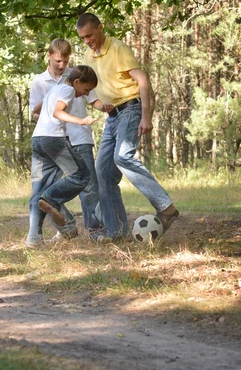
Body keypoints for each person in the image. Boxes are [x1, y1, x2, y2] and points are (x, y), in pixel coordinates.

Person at [76, 13, 180, 242]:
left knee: (123, 156)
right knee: (103, 172)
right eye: (82, 38)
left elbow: (143, 80)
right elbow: (88, 87)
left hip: (131, 109)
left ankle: (167, 208)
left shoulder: (118, 48)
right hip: (112, 117)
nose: (87, 41)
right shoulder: (87, 54)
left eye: (90, 36)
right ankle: (117, 232)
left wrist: (146, 116)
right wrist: (96, 103)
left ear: (101, 28)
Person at [29, 39, 113, 238]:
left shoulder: (75, 76)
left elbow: (91, 98)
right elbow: (42, 111)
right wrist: (78, 120)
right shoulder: (43, 82)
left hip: (72, 139)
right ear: (48, 56)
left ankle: (94, 231)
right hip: (55, 139)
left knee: (87, 185)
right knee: (50, 185)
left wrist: (106, 108)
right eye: (58, 61)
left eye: (65, 62)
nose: (62, 65)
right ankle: (56, 225)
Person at [26, 65, 99, 247]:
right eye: (86, 89)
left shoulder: (54, 89)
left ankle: (34, 239)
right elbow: (57, 112)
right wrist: (80, 120)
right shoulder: (67, 90)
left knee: (39, 188)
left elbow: (38, 109)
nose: (85, 93)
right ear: (76, 82)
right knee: (82, 175)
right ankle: (51, 199)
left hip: (38, 139)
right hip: (53, 139)